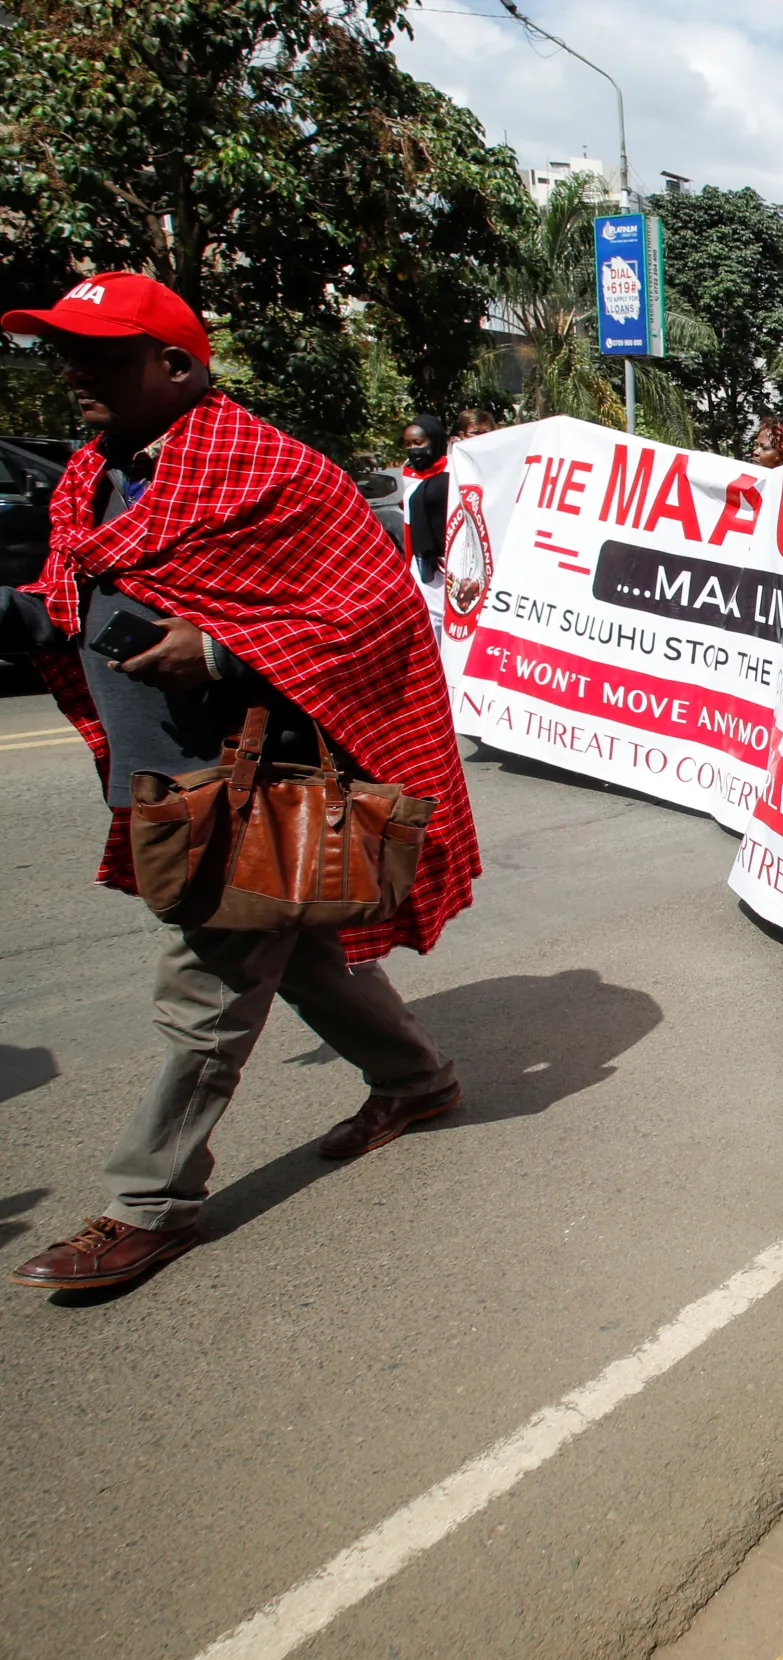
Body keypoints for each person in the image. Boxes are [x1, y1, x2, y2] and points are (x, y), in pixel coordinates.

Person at [0, 273, 480, 1293]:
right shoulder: (90, 476)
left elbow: (375, 615)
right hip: (158, 775)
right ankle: (418, 1080)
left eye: (101, 352)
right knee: (303, 945)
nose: (74, 369)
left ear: (176, 365)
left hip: (244, 775)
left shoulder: (275, 472)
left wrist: (217, 652)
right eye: (64, 349)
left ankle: (149, 1203)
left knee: (207, 986)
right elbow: (70, 602)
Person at [399, 414, 448, 585]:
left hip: (451, 560)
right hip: (422, 561)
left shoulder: (455, 471)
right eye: (408, 444)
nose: (413, 449)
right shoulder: (409, 477)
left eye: (418, 443)